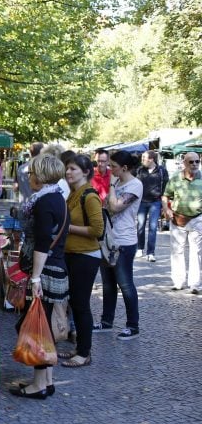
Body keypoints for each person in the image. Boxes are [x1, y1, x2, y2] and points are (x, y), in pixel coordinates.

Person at [9, 154, 69, 399]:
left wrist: (35, 278)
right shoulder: (57, 198)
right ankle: (47, 380)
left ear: (42, 175)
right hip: (56, 269)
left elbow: (43, 242)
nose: (29, 177)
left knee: (34, 329)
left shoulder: (44, 203)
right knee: (43, 328)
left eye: (32, 173)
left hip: (45, 272)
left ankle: (39, 386)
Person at [59, 155, 103, 368]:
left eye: (73, 169)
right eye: (67, 169)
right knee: (75, 304)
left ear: (85, 172)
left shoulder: (89, 196)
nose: (68, 173)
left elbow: (97, 230)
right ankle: (79, 348)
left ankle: (84, 353)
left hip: (86, 256)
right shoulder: (73, 194)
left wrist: (69, 229)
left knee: (81, 304)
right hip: (73, 255)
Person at [94, 151, 143, 339]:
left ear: (124, 168)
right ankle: (107, 321)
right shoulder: (118, 182)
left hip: (124, 241)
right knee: (107, 284)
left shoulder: (135, 185)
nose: (109, 168)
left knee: (125, 284)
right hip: (109, 239)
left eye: (113, 166)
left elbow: (114, 206)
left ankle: (133, 325)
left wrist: (112, 186)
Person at [161, 151, 202, 294]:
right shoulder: (175, 178)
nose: (195, 164)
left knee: (196, 251)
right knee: (177, 251)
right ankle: (178, 282)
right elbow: (165, 196)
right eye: (191, 162)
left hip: (197, 219)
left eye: (197, 161)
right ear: (184, 163)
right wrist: (166, 209)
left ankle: (195, 284)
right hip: (178, 219)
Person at [136, 150, 169, 262]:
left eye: (144, 158)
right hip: (142, 202)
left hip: (155, 202)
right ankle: (140, 248)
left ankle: (151, 253)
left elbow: (166, 186)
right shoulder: (140, 170)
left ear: (151, 159)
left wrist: (164, 203)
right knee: (140, 226)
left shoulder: (162, 171)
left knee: (153, 228)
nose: (142, 160)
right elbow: (136, 185)